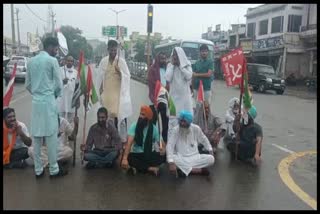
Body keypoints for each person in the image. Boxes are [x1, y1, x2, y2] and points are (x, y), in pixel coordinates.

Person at [25, 36, 67, 178]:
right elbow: (59, 84)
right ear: (50, 46)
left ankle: (38, 170)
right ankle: (54, 169)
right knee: (51, 136)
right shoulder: (52, 61)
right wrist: (52, 94)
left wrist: (37, 94)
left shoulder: (31, 62)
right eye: (56, 48)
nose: (56, 51)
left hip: (36, 103)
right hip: (49, 101)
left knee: (36, 137)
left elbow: (28, 85)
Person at [98, 40, 132, 145]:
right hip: (107, 95)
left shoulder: (121, 62)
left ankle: (122, 142)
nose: (113, 52)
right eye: (111, 49)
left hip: (119, 96)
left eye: (115, 49)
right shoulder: (103, 62)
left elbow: (128, 76)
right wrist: (99, 91)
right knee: (109, 119)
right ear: (108, 49)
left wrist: (120, 72)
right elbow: (100, 78)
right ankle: (109, 141)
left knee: (121, 119)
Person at [166, 110, 215, 177]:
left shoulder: (196, 128)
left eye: (184, 121)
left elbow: (203, 139)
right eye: (181, 121)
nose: (182, 123)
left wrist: (210, 149)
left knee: (211, 159)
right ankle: (198, 170)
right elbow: (170, 145)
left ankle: (185, 170)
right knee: (172, 159)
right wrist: (171, 162)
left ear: (189, 122)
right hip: (181, 157)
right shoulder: (176, 130)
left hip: (195, 157)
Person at [121, 105, 166, 176]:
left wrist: (163, 149)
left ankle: (140, 168)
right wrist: (124, 158)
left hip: (149, 154)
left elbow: (161, 144)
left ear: (148, 118)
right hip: (138, 155)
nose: (140, 116)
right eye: (140, 114)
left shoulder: (154, 129)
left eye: (143, 115)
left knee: (164, 156)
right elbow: (129, 143)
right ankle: (150, 169)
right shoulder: (134, 126)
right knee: (129, 158)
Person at [165, 47, 193, 140]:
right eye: (174, 55)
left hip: (185, 100)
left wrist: (181, 66)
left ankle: (184, 143)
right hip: (173, 99)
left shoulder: (187, 65)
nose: (175, 57)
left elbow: (189, 76)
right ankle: (171, 147)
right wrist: (173, 65)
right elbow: (168, 78)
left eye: (177, 55)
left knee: (185, 122)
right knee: (172, 122)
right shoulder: (170, 65)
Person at [147, 52, 169, 143]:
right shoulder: (153, 69)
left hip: (166, 98)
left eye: (164, 58)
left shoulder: (167, 68)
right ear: (157, 59)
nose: (163, 60)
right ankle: (153, 140)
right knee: (153, 121)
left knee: (165, 121)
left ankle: (165, 140)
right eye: (161, 59)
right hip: (156, 98)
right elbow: (151, 83)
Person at [56, 55, 78, 123]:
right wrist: (62, 82)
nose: (70, 62)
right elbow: (55, 83)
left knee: (70, 120)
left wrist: (77, 99)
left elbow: (77, 86)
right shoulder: (60, 70)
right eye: (68, 60)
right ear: (65, 61)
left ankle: (68, 133)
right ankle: (60, 132)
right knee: (60, 119)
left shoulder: (76, 72)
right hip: (62, 98)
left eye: (71, 61)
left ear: (73, 62)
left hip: (71, 98)